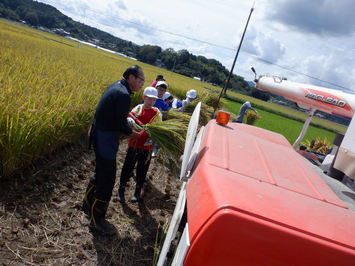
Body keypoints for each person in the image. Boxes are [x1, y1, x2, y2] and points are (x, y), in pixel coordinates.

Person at [82, 65, 144, 234]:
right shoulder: (123, 95)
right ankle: (97, 221)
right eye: (140, 80)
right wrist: (133, 134)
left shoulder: (116, 86)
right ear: (131, 77)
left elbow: (117, 117)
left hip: (99, 134)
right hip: (105, 139)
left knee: (101, 172)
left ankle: (87, 205)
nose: (141, 84)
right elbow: (119, 124)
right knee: (107, 180)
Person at [118, 87, 162, 203]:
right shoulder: (138, 108)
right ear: (144, 97)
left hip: (147, 147)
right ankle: (121, 189)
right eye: (150, 98)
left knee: (142, 170)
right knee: (128, 167)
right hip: (134, 144)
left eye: (154, 99)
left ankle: (137, 192)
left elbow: (157, 128)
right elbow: (130, 116)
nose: (152, 101)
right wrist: (129, 120)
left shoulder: (156, 113)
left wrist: (147, 132)